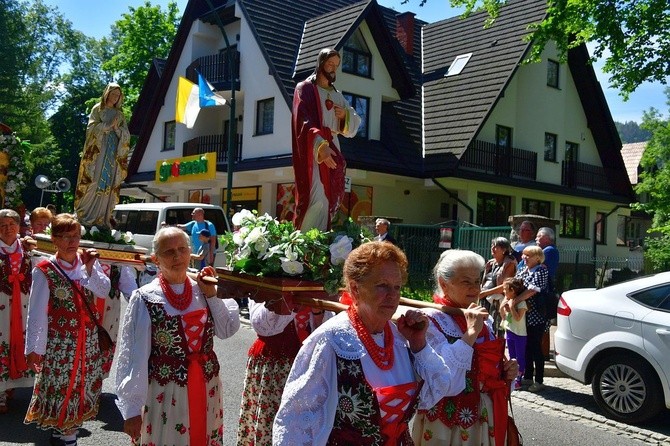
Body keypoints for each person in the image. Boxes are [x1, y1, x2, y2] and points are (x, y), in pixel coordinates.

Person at [273, 241, 470, 444]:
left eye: (397, 287)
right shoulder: (332, 340)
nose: (392, 295)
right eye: (382, 285)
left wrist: (420, 345)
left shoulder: (401, 339)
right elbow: (295, 422)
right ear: (355, 289)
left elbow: (442, 387)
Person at [115, 226, 240, 446]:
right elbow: (134, 355)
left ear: (190, 252)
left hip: (205, 384)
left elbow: (226, 330)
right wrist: (132, 408)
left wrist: (212, 297)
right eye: (168, 251)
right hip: (165, 391)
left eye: (182, 249)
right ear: (155, 259)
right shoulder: (145, 298)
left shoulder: (204, 289)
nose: (177, 256)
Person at [412, 250, 519, 446]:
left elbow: (488, 370)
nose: (475, 288)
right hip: (446, 424)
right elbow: (441, 377)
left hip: (485, 418)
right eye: (466, 282)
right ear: (444, 284)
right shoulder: (430, 321)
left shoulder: (481, 321)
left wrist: (506, 372)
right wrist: (469, 334)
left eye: (477, 281)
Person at [24, 213, 111, 446]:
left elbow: (104, 290)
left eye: (75, 236)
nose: (72, 242)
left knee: (81, 385)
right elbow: (37, 312)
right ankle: (67, 435)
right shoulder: (43, 270)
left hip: (88, 338)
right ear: (54, 239)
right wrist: (34, 347)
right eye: (65, 237)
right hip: (60, 342)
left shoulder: (86, 264)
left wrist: (91, 269)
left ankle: (64, 432)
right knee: (63, 386)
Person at [237, 297, 332, 445]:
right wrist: (290, 300)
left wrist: (317, 310)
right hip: (274, 365)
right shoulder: (266, 280)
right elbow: (260, 325)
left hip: (309, 368)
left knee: (306, 429)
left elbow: (326, 331)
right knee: (269, 429)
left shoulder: (317, 280)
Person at [291, 48, 361, 231]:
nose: (332, 69)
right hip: (313, 151)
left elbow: (354, 124)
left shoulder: (337, 95)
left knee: (330, 196)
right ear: (320, 63)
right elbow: (303, 120)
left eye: (336, 66)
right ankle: (305, 242)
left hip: (333, 146)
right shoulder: (305, 89)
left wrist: (344, 116)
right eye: (330, 64)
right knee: (317, 196)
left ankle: (321, 239)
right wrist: (320, 145)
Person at [74, 82, 130, 228]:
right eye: (113, 94)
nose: (115, 97)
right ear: (107, 94)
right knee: (94, 179)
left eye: (118, 95)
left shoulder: (120, 115)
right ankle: (85, 216)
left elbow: (126, 136)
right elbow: (91, 130)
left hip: (112, 153)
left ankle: (101, 218)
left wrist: (117, 129)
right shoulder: (98, 109)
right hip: (99, 151)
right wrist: (107, 126)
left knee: (109, 184)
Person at [0, 209, 34, 414]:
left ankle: (10, 385)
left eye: (11, 224)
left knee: (18, 341)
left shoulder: (28, 249)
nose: (7, 229)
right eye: (2, 225)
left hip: (23, 305)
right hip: (1, 306)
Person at [95, 264, 138, 376]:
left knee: (103, 346)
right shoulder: (79, 257)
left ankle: (96, 388)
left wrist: (141, 306)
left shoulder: (117, 262)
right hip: (85, 312)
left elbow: (130, 288)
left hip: (109, 315)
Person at [480, 237, 517, 335]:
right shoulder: (491, 263)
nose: (492, 248)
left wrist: (484, 293)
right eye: (492, 245)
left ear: (504, 250)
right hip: (485, 300)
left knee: (496, 330)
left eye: (496, 246)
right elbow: (485, 281)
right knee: (484, 329)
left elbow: (505, 286)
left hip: (497, 303)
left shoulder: (509, 264)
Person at [499, 277, 528, 391]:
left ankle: (519, 378)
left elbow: (517, 317)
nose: (504, 292)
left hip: (520, 334)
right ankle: (512, 376)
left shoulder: (521, 303)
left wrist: (511, 306)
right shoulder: (506, 300)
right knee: (512, 356)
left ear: (513, 290)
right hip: (510, 331)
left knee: (520, 356)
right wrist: (502, 307)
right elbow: (503, 316)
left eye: (506, 289)